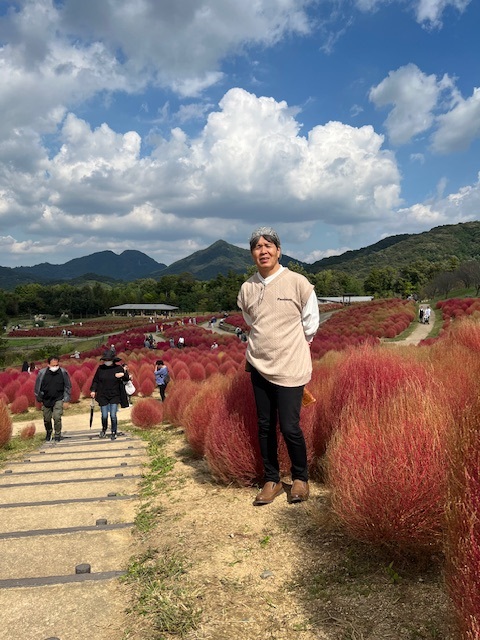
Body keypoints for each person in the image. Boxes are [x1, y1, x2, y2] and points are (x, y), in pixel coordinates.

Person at [237, 226, 319, 506]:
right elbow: (252, 322)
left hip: (291, 366)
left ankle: (300, 478)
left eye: (268, 246)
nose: (263, 251)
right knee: (265, 426)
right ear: (252, 254)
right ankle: (271, 480)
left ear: (278, 251)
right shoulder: (247, 288)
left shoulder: (298, 282)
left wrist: (293, 348)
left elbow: (310, 324)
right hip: (258, 365)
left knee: (289, 426)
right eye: (257, 247)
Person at [90, 349, 130, 440]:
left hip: (114, 394)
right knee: (104, 415)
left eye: (109, 360)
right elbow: (96, 380)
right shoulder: (101, 369)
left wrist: (123, 374)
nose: (107, 361)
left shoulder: (118, 368)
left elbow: (126, 378)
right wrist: (93, 390)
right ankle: (104, 429)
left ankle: (113, 431)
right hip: (103, 394)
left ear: (113, 360)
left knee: (113, 415)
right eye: (105, 360)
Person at [34, 356, 72, 441]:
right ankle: (49, 432)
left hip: (58, 398)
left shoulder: (63, 372)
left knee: (57, 417)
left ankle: (57, 434)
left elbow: (67, 386)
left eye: (56, 365)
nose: (55, 367)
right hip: (46, 399)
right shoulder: (42, 373)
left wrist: (66, 399)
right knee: (47, 419)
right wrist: (38, 397)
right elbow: (37, 386)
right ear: (48, 365)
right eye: (53, 365)